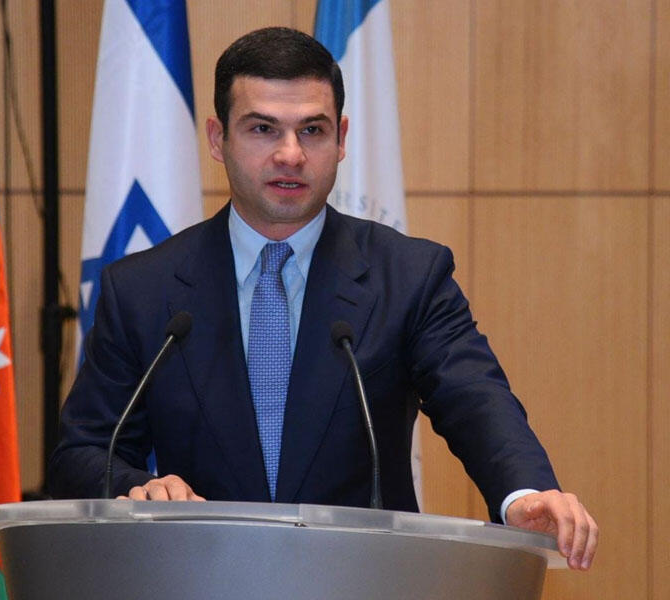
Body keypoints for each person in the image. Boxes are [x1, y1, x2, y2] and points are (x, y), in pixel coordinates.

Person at [48, 27, 598, 570]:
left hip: (364, 579)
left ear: (341, 139)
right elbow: (83, 454)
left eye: (312, 130)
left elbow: (474, 397)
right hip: (199, 575)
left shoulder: (409, 276)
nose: (290, 154)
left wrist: (523, 493)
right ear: (217, 139)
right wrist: (138, 488)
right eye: (263, 128)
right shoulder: (144, 289)